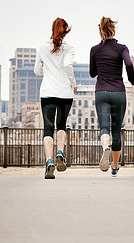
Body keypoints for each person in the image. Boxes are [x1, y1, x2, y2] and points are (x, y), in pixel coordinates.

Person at [89, 17, 134, 177]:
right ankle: (114, 167)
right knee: (116, 130)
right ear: (113, 30)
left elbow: (92, 73)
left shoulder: (94, 49)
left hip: (101, 92)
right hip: (118, 92)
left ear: (100, 31)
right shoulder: (122, 48)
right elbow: (129, 64)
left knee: (104, 127)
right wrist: (132, 79)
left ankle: (105, 148)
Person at [34, 17, 77, 179]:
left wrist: (47, 67)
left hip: (47, 92)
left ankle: (49, 162)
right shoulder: (70, 48)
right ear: (65, 31)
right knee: (61, 125)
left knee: (47, 127)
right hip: (65, 93)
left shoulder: (42, 48)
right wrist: (73, 84)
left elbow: (37, 71)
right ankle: (60, 152)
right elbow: (67, 66)